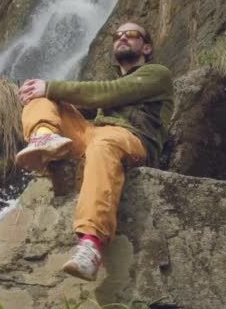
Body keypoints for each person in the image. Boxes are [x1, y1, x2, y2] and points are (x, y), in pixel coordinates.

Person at [15, 22, 173, 281]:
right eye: (117, 35)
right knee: (41, 96)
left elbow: (107, 93)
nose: (122, 38)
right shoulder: (112, 83)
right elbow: (82, 101)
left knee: (101, 143)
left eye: (131, 34)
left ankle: (90, 245)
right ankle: (43, 137)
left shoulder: (158, 75)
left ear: (146, 47)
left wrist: (51, 86)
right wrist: (41, 92)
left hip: (133, 139)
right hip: (94, 133)